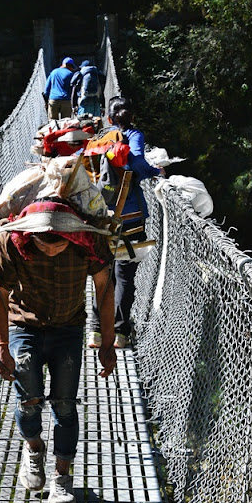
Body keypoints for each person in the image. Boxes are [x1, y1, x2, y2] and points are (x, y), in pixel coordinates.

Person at [0, 199, 117, 503]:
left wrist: (107, 342)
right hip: (24, 325)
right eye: (41, 243)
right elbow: (0, 292)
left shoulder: (90, 242)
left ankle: (62, 479)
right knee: (28, 399)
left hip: (68, 328)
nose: (49, 249)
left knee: (65, 404)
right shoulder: (9, 241)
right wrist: (1, 347)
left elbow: (104, 289)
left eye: (56, 244)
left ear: (72, 236)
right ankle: (34, 449)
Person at [88, 95, 165, 350]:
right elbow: (138, 163)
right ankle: (120, 334)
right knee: (124, 276)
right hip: (130, 218)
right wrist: (157, 171)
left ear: (109, 119)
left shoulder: (102, 139)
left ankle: (97, 332)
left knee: (102, 275)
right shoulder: (134, 136)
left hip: (101, 217)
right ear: (132, 117)